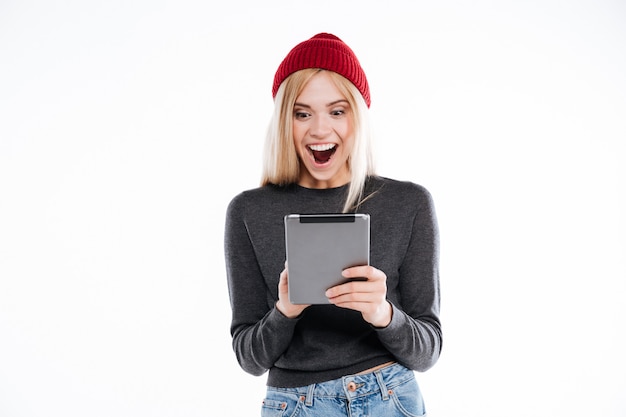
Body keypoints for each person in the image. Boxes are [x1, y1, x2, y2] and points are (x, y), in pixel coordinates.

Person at [224, 32, 441, 416]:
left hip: (389, 396)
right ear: (284, 121)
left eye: (337, 111)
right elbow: (250, 358)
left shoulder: (408, 204)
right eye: (302, 113)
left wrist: (383, 313)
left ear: (357, 117)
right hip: (296, 404)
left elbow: (427, 351)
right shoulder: (248, 211)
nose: (320, 130)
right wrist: (285, 310)